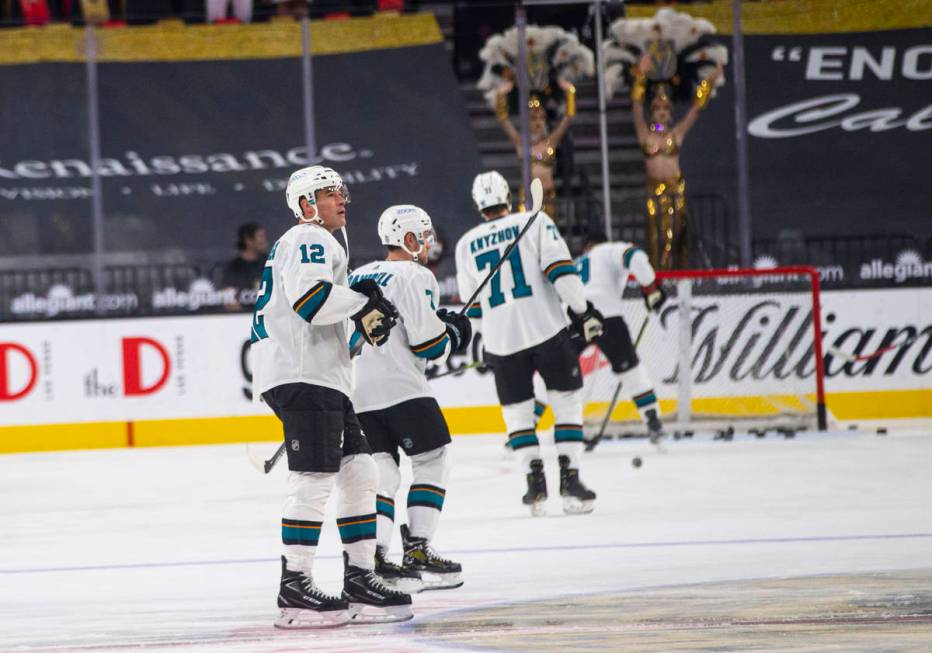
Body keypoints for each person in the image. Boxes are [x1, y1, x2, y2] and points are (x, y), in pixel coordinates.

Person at [250, 165, 411, 629]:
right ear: (306, 205)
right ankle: (294, 587)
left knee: (360, 469)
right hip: (305, 376)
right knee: (314, 478)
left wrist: (355, 306)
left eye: (342, 191)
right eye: (328, 193)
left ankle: (359, 577)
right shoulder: (309, 237)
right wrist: (362, 303)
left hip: (317, 374)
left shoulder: (308, 243)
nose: (341, 199)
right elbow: (312, 302)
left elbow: (320, 307)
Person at [455, 170, 604, 517]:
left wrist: (485, 336)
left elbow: (472, 306)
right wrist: (583, 311)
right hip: (547, 331)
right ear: (508, 196)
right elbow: (562, 272)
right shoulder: (534, 221)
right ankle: (570, 481)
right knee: (566, 403)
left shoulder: (465, 244)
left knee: (518, 414)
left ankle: (534, 485)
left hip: (502, 343)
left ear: (478, 205)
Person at [350, 204, 472, 592]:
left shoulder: (356, 274)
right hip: (404, 388)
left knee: (382, 473)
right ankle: (418, 548)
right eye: (423, 234)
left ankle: (379, 557)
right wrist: (453, 333)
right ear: (408, 239)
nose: (429, 242)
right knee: (432, 461)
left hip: (359, 393)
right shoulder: (416, 274)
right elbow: (428, 344)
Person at [631, 54, 723, 270]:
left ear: (670, 113)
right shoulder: (644, 134)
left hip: (675, 188)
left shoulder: (676, 133)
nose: (662, 113)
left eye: (665, 110)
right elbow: (636, 105)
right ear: (652, 112)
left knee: (676, 235)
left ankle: (678, 274)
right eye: (657, 109)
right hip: (654, 190)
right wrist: (641, 75)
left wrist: (710, 80)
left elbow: (695, 110)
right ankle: (657, 275)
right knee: (655, 236)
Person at [575, 231, 667, 442]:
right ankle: (653, 421)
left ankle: (529, 427)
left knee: (555, 373)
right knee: (631, 370)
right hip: (606, 315)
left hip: (573, 317)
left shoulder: (574, 261)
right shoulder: (608, 250)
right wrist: (650, 288)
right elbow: (634, 256)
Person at [494, 79, 576, 225]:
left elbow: (568, 118)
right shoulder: (520, 142)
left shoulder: (551, 141)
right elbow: (503, 121)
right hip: (527, 198)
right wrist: (500, 95)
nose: (538, 122)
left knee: (547, 234)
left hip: (548, 196)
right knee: (527, 235)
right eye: (533, 118)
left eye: (541, 118)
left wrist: (570, 92)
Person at [221, 223, 268, 308]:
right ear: (248, 240)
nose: (264, 241)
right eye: (261, 236)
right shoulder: (233, 268)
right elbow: (228, 296)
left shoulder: (270, 264)